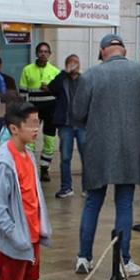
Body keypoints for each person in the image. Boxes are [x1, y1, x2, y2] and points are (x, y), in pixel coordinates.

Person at [72, 33, 140, 276]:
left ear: (103, 51)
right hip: (131, 147)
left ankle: (83, 257)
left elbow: (77, 113)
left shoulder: (91, 75)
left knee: (93, 202)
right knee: (125, 203)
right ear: (124, 51)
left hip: (98, 147)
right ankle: (123, 259)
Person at [0, 101, 51, 280]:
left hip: (32, 235)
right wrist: (15, 237)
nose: (36, 129)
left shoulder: (29, 155)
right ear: (14, 128)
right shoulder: (4, 162)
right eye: (31, 123)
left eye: (37, 122)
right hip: (15, 240)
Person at [19, 41, 60, 183]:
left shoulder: (55, 71)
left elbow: (60, 93)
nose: (43, 54)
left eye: (46, 51)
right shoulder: (27, 70)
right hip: (32, 110)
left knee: (49, 140)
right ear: (36, 53)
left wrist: (49, 89)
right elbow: (23, 92)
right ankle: (30, 167)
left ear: (49, 54)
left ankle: (44, 169)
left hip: (50, 111)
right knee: (30, 140)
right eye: (40, 51)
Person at [49, 54, 84, 199]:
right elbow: (52, 88)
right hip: (66, 125)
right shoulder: (62, 80)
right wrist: (64, 72)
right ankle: (66, 188)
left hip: (82, 124)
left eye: (76, 63)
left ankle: (87, 188)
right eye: (70, 63)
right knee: (65, 157)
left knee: (86, 157)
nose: (74, 66)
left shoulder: (85, 80)